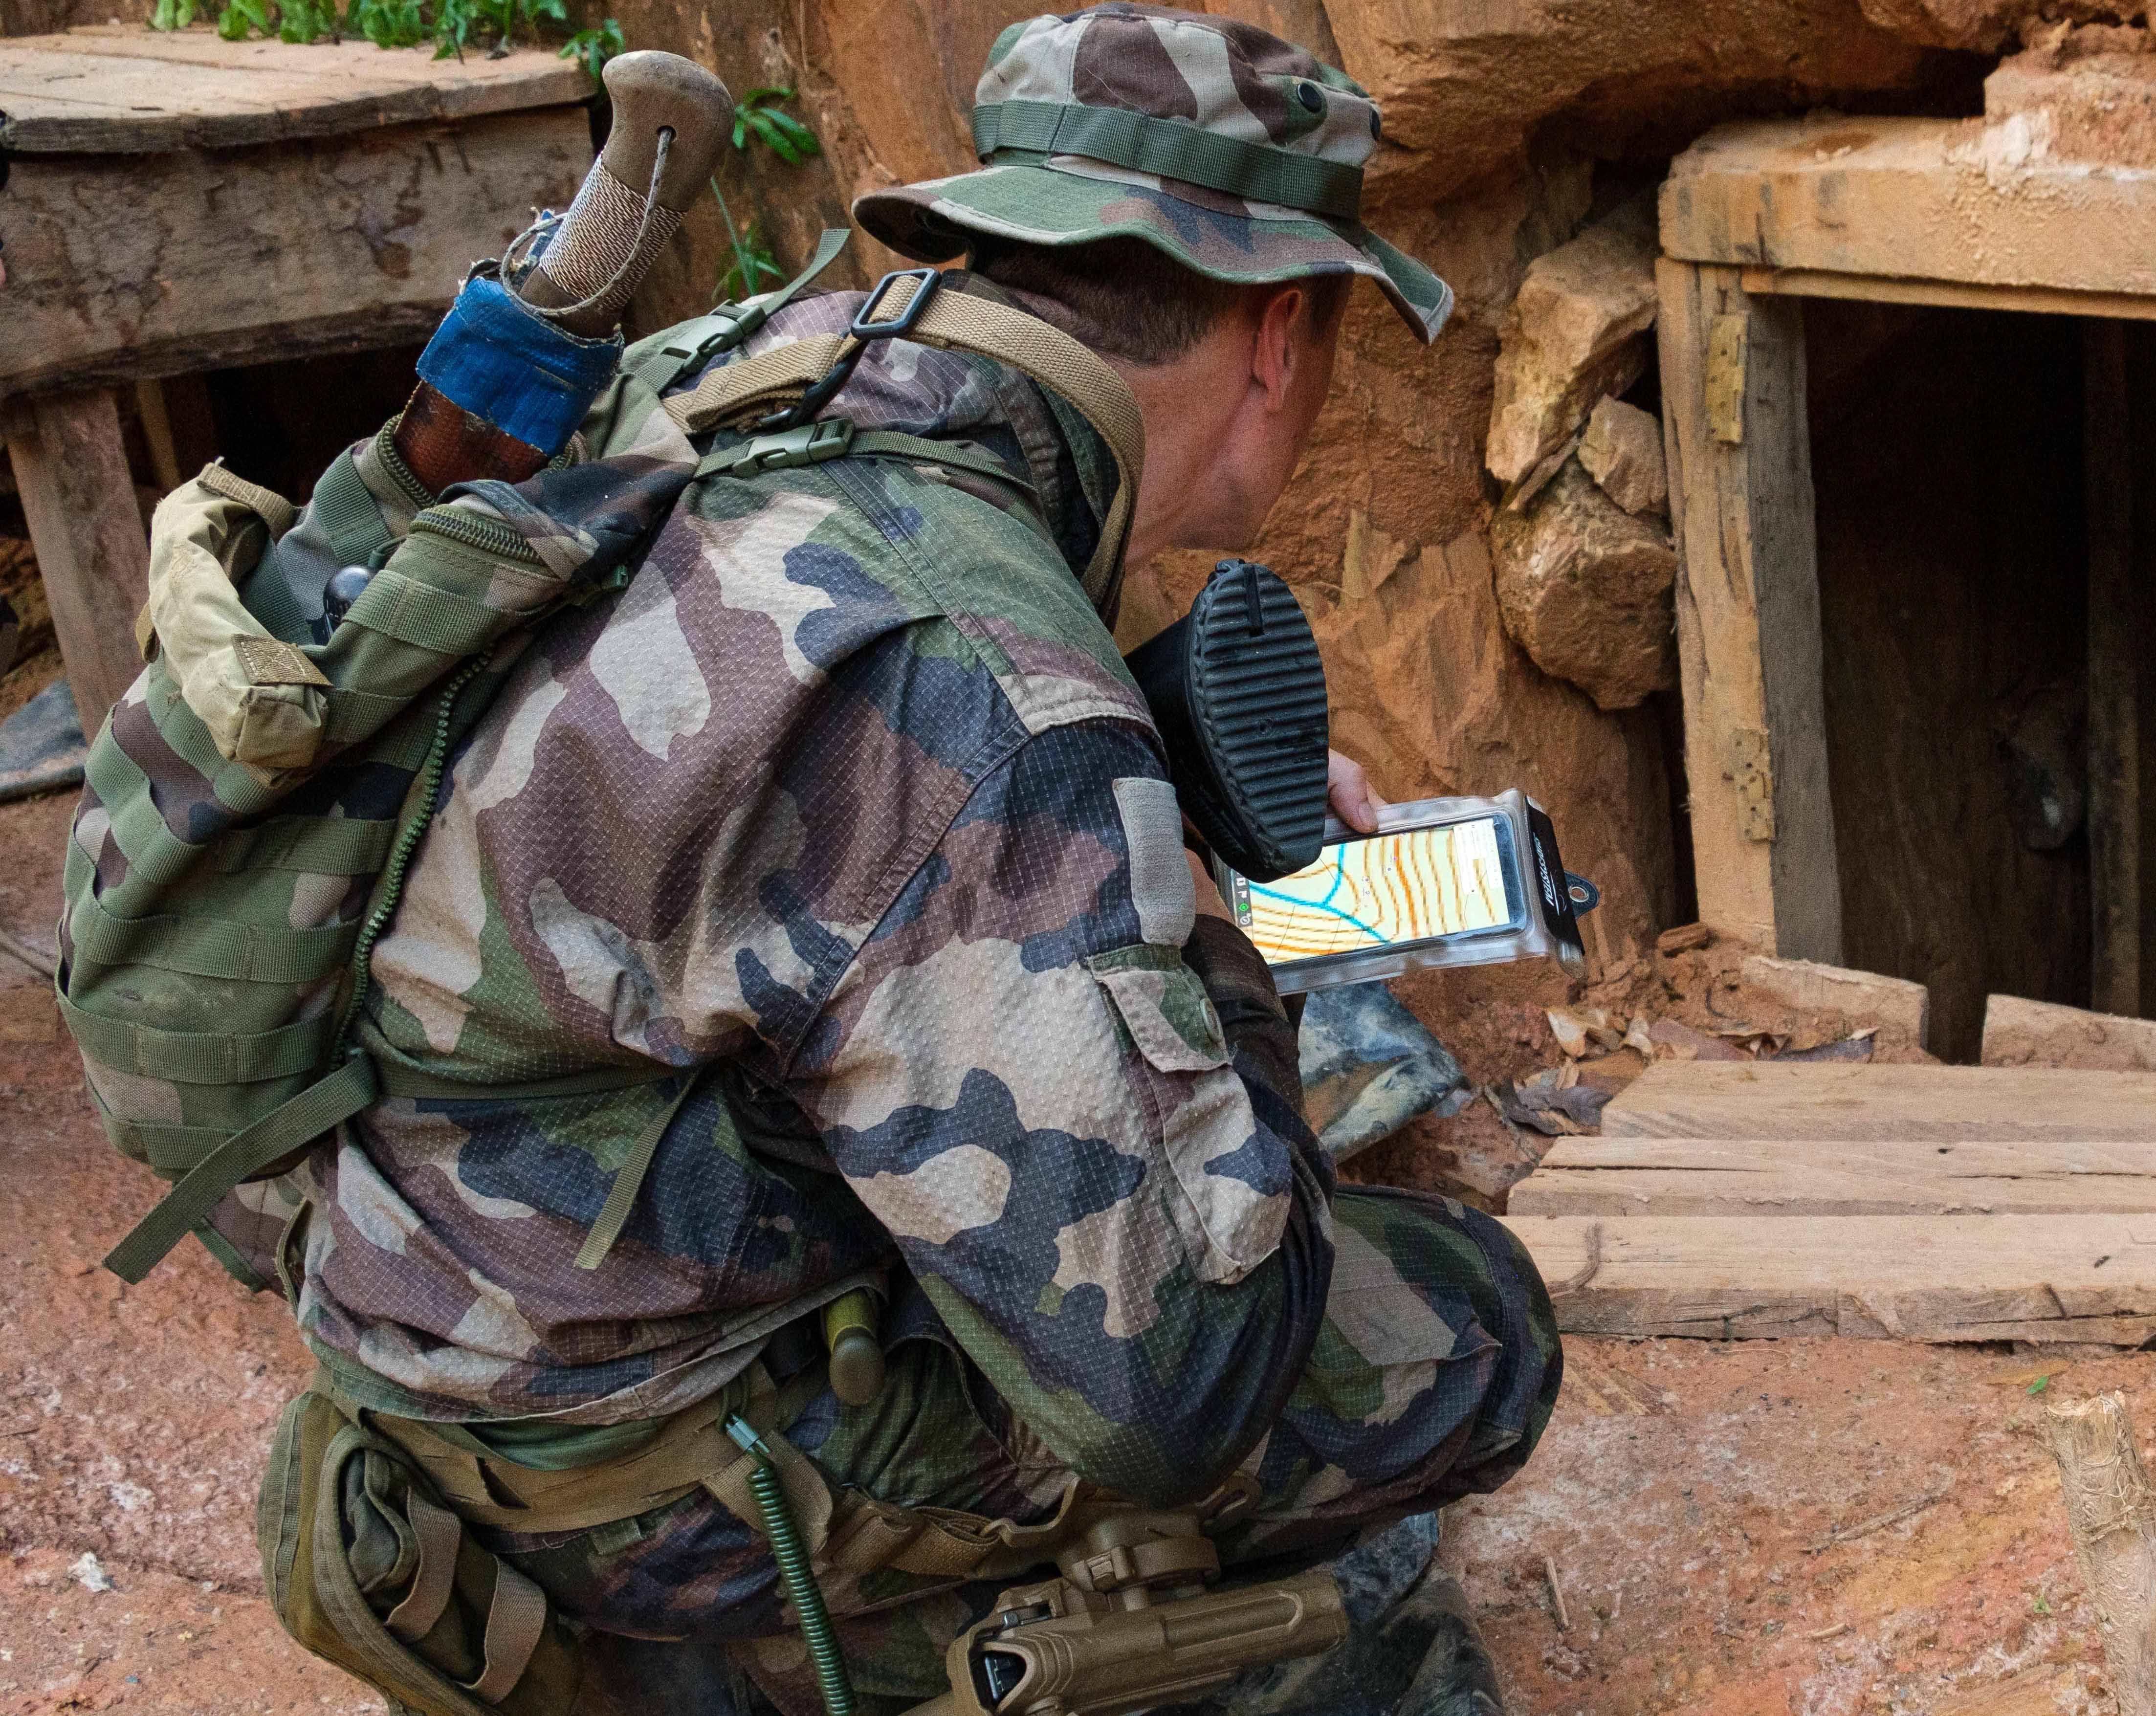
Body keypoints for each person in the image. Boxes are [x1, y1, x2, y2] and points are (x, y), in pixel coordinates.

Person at [226, 6, 1557, 1709]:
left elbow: (783, 800)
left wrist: (1109, 784)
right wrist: (1207, 929)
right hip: (618, 1464)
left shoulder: (754, 384)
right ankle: (787, 1662)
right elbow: (1176, 1384)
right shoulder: (989, 689)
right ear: (1281, 335)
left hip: (429, 1307)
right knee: (1466, 1328)